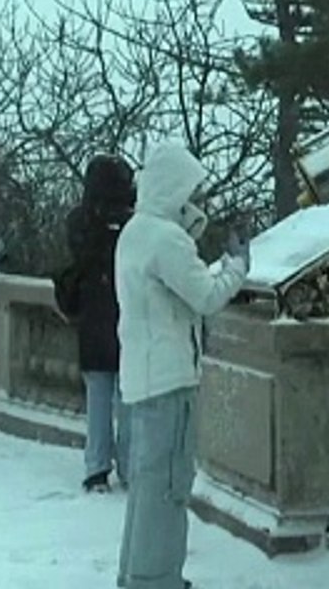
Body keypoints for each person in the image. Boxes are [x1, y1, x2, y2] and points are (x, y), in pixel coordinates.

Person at [115, 143, 250, 589]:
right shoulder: (165, 238)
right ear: (175, 188)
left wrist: (187, 220)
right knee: (169, 488)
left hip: (141, 378)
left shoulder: (136, 230)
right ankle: (156, 579)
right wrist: (238, 265)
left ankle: (136, 575)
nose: (200, 199)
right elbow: (207, 296)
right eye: (193, 190)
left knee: (146, 488)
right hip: (170, 380)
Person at [66, 154, 137, 493]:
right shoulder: (132, 224)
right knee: (126, 394)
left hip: (93, 313)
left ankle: (96, 467)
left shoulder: (79, 221)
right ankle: (128, 464)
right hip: (124, 311)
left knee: (97, 392)